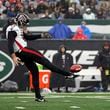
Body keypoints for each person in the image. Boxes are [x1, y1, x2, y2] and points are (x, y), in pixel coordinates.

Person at [6, 13, 79, 102]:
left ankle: (38, 96)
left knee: (35, 72)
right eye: (25, 23)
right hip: (23, 51)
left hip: (22, 53)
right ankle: (67, 74)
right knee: (46, 62)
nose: (25, 25)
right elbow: (10, 43)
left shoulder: (16, 28)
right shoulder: (13, 29)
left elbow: (28, 37)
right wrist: (13, 56)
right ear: (21, 21)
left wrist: (41, 35)